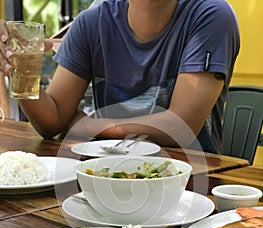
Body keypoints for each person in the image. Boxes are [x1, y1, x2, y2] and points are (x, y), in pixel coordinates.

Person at [0, 0, 240, 153]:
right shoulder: (91, 23)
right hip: (108, 173)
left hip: (192, 179)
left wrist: (89, 125)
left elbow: (180, 127)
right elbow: (52, 121)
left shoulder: (211, 15)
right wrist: (15, 61)